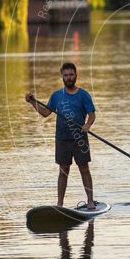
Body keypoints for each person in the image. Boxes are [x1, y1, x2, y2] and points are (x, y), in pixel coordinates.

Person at [26, 62, 97, 210]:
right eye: (66, 75)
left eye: (71, 75)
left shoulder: (83, 95)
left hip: (80, 139)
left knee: (84, 169)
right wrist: (33, 102)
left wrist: (88, 125)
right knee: (63, 171)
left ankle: (90, 201)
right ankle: (60, 204)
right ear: (62, 77)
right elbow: (45, 113)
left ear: (76, 76)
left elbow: (91, 114)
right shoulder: (57, 96)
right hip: (62, 139)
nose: (69, 77)